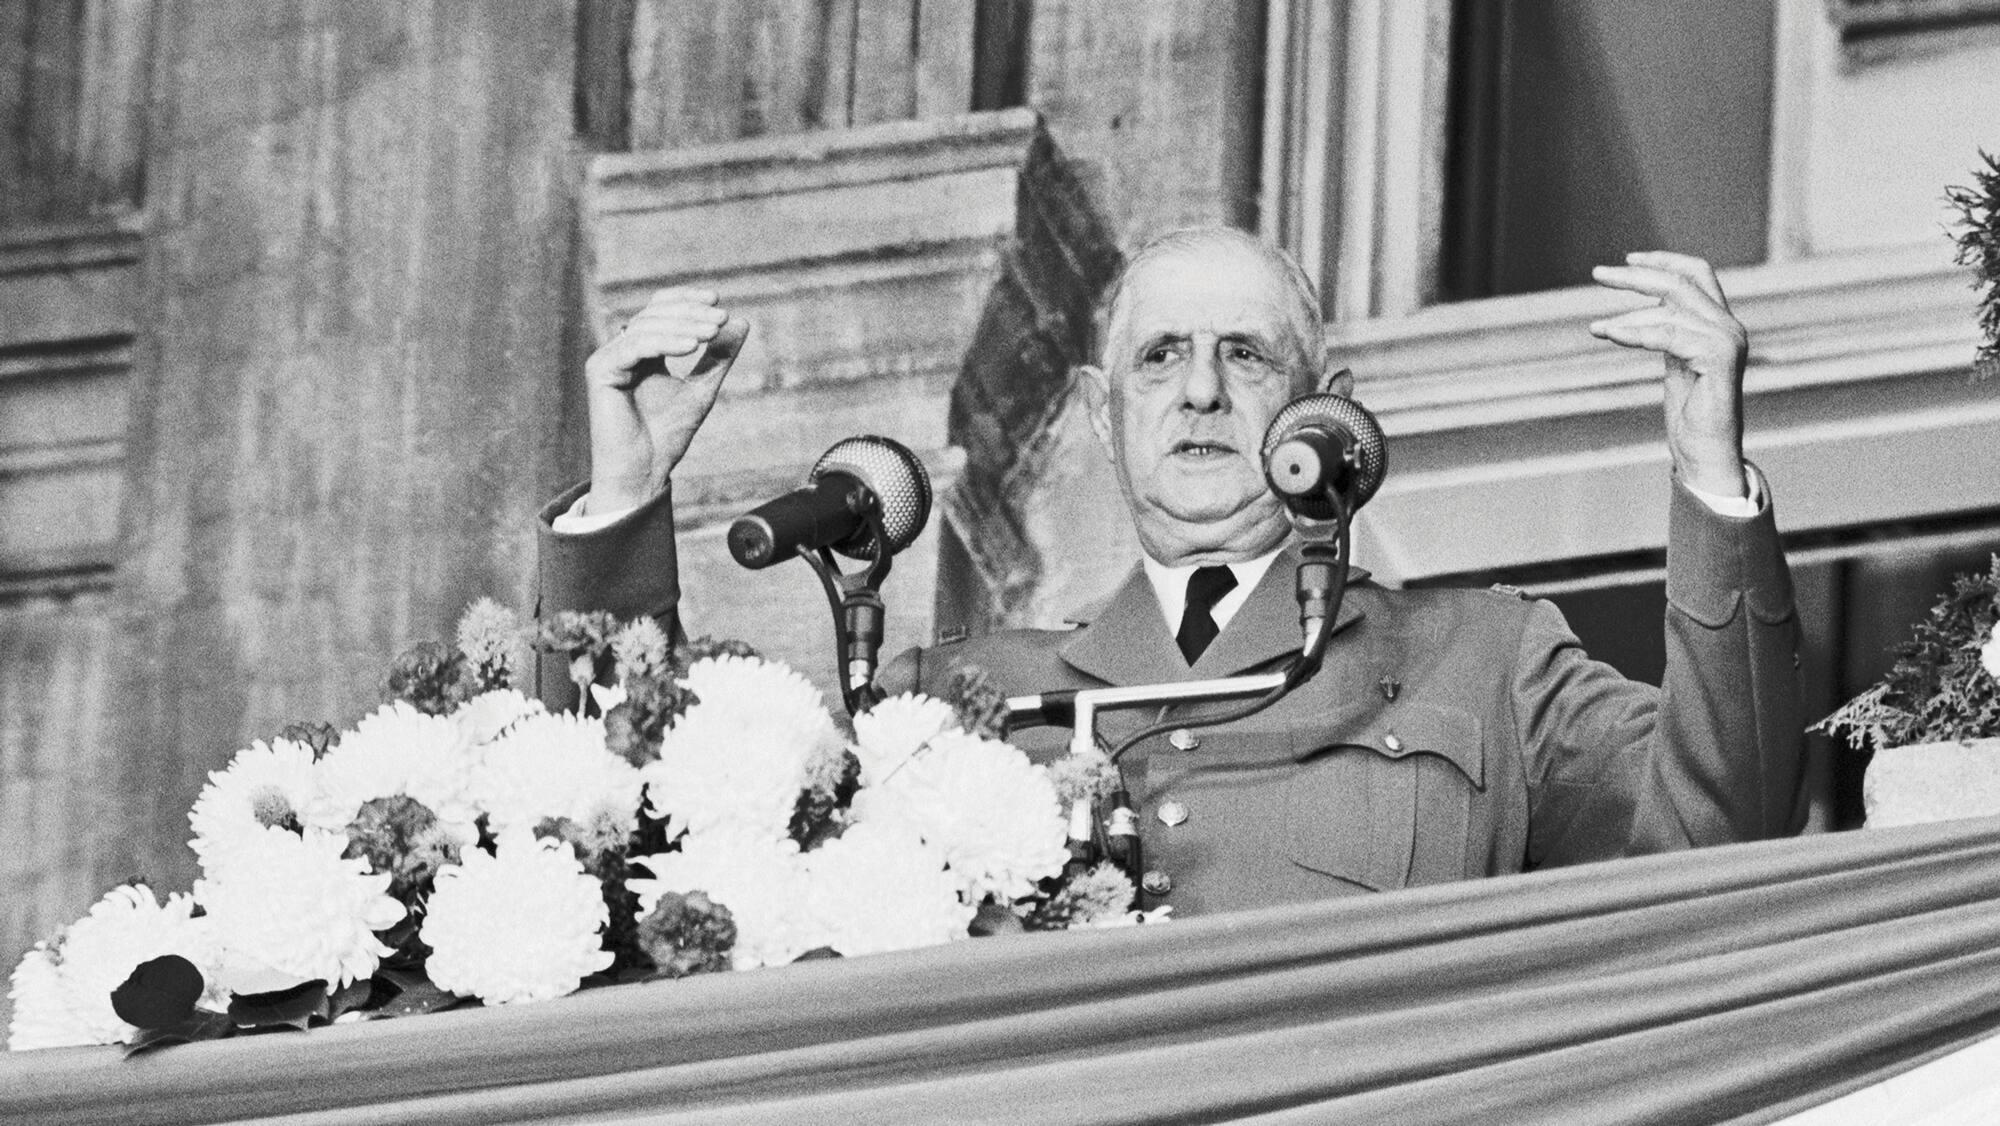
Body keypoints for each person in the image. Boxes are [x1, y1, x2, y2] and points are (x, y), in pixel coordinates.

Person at [538, 226, 1806, 916]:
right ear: (1100, 412)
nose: (1198, 391)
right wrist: (623, 500)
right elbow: (644, 847)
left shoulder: (1486, 659)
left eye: (1244, 356)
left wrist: (1707, 474)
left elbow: (1722, 821)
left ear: (1328, 405)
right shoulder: (943, 695)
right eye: (1158, 360)